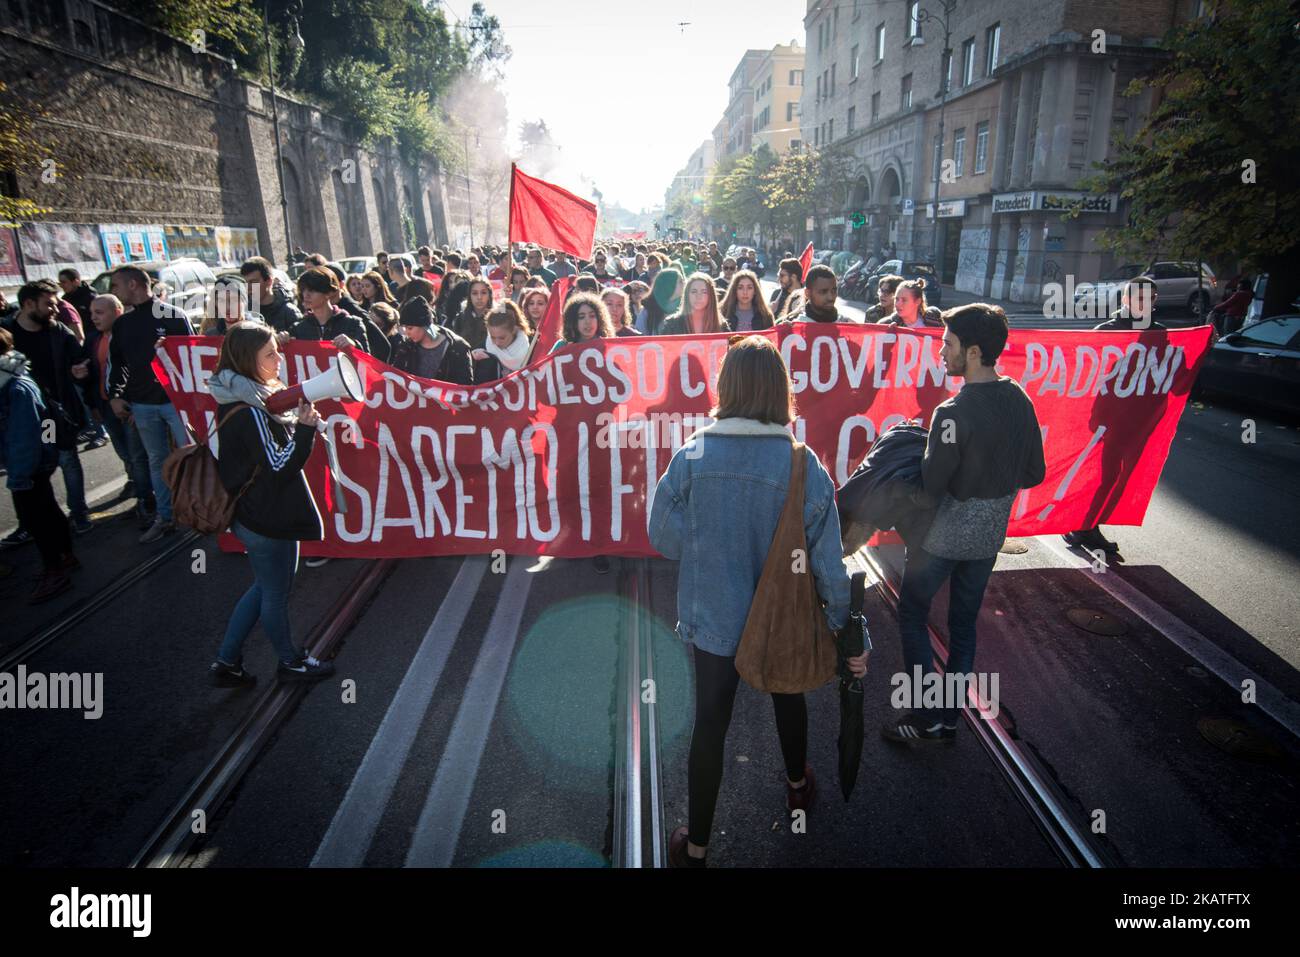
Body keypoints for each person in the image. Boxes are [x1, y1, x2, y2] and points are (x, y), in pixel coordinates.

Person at [649, 335, 861, 867]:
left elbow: (661, 534)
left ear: (727, 387)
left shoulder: (694, 450)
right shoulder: (802, 463)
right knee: (788, 698)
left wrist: (704, 546)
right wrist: (843, 626)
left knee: (710, 724)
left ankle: (696, 848)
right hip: (782, 623)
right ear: (779, 391)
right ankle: (796, 785)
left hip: (713, 615)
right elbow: (829, 562)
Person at [884, 304, 1046, 744]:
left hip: (939, 539)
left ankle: (923, 716)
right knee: (962, 626)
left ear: (973, 352)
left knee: (913, 614)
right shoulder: (1020, 400)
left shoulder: (952, 413)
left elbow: (933, 486)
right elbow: (1034, 473)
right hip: (988, 538)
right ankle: (949, 716)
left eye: (948, 343)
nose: (940, 351)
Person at [207, 322, 334, 686]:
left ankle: (227, 661)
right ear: (249, 360)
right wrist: (306, 431)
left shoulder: (249, 397)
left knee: (265, 586)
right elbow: (278, 466)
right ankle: (290, 663)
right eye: (270, 354)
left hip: (257, 513)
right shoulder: (250, 408)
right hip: (266, 517)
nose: (279, 359)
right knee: (275, 592)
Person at [1063, 276, 1165, 555]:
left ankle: (1085, 524)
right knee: (1105, 475)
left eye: (1152, 299)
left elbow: (1170, 376)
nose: (1146, 304)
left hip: (1139, 420)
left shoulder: (1159, 332)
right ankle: (1083, 526)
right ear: (1125, 299)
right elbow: (1090, 377)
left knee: (1120, 476)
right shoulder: (1107, 330)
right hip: (1109, 418)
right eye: (1140, 298)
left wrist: (1205, 345)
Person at [107, 265, 194, 543]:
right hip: (142, 405)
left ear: (133, 284)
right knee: (157, 461)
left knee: (192, 457)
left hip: (176, 402)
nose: (114, 293)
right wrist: (116, 394)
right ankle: (165, 517)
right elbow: (117, 363)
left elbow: (192, 357)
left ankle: (204, 511)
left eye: (116, 287)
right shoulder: (122, 324)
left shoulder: (173, 316)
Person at [1, 280, 93, 536]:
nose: (55, 309)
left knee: (67, 460)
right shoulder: (6, 332)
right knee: (28, 471)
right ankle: (30, 524)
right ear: (29, 304)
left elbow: (80, 361)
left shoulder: (59, 331)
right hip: (20, 419)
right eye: (49, 304)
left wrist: (79, 372)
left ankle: (79, 513)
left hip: (55, 415)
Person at [0, 327, 80, 602]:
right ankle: (65, 556)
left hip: (29, 463)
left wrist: (19, 475)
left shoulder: (15, 386)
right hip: (29, 461)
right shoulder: (11, 379)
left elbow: (25, 434)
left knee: (37, 519)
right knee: (47, 510)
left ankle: (54, 570)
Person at [86, 294, 154, 526]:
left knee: (139, 456)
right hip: (106, 407)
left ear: (117, 312)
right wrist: (94, 403)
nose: (94, 317)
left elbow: (142, 371)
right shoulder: (94, 339)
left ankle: (148, 502)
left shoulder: (131, 335)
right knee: (126, 455)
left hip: (131, 406)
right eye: (92, 312)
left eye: (99, 312)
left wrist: (136, 404)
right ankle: (138, 491)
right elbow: (96, 372)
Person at [391, 296, 474, 385]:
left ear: (424, 325)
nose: (406, 333)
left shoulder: (457, 348)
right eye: (404, 328)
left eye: (410, 328)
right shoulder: (406, 346)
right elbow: (396, 375)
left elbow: (465, 384)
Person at [289, 267, 370, 354]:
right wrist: (281, 341)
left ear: (328, 293)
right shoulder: (297, 329)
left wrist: (354, 345)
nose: (306, 295)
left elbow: (368, 361)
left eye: (311, 290)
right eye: (303, 290)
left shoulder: (353, 324)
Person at [471, 300, 535, 381]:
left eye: (502, 338)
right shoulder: (481, 351)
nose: (496, 343)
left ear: (514, 330)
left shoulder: (532, 347)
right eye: (492, 337)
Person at [239, 257, 302, 333]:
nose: (248, 287)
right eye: (245, 283)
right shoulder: (243, 311)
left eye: (253, 282)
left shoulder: (289, 312)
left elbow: (302, 342)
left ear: (269, 281)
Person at [660, 274, 729, 335]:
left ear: (711, 296)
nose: (698, 296)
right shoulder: (671, 324)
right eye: (694, 291)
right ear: (687, 295)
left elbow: (732, 347)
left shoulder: (722, 325)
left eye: (704, 292)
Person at [550, 293, 616, 352]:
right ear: (573, 321)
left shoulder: (609, 345)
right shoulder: (562, 345)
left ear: (600, 318)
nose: (588, 322)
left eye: (592, 316)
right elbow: (546, 364)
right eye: (581, 317)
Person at [877, 277, 943, 328]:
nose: (897, 304)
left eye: (904, 300)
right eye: (897, 299)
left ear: (917, 301)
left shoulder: (935, 317)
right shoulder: (885, 324)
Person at [635, 267, 684, 335]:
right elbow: (640, 337)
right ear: (669, 285)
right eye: (681, 282)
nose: (684, 284)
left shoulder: (684, 308)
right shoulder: (647, 312)